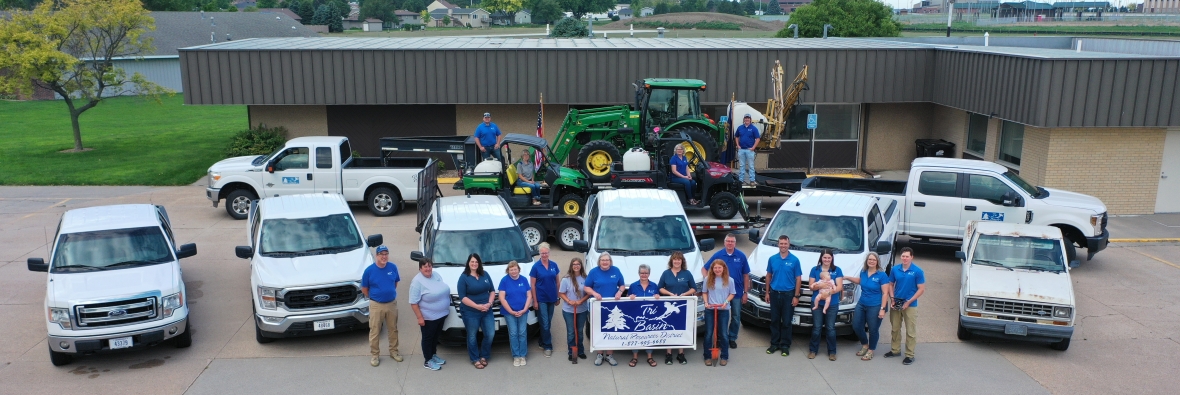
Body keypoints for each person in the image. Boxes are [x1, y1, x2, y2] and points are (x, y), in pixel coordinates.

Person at [705, 233, 751, 350]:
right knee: (720, 316)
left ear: (735, 243)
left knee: (736, 316)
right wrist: (710, 283)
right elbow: (705, 269)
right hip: (720, 293)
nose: (730, 243)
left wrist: (746, 292)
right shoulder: (718, 255)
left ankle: (732, 337)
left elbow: (746, 275)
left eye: (732, 241)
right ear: (724, 242)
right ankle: (721, 338)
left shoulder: (741, 256)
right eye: (728, 241)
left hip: (736, 292)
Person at [361, 245, 402, 367]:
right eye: (381, 254)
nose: (384, 257)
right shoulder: (369, 271)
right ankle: (375, 355)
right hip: (376, 305)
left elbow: (395, 283)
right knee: (375, 331)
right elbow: (364, 289)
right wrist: (376, 297)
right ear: (377, 256)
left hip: (391, 304)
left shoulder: (393, 267)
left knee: (393, 329)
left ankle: (394, 352)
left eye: (386, 254)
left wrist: (387, 293)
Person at [845, 252, 889, 361]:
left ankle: (871, 350)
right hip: (862, 303)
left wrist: (882, 309)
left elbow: (885, 293)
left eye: (874, 260)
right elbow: (861, 281)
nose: (871, 261)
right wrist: (847, 277)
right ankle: (865, 344)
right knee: (856, 325)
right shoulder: (863, 272)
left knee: (873, 329)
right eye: (870, 259)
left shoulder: (882, 275)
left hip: (875, 305)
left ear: (877, 261)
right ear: (867, 261)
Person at [885, 247, 925, 365]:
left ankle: (909, 355)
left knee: (910, 331)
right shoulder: (895, 269)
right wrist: (892, 298)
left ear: (912, 257)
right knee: (895, 328)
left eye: (907, 256)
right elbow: (890, 284)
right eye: (903, 256)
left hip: (911, 305)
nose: (905, 258)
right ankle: (895, 350)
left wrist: (908, 301)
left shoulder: (918, 271)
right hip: (896, 302)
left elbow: (921, 289)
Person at [584, 252, 625, 367]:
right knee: (598, 330)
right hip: (597, 306)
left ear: (610, 261)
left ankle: (610, 355)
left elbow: (622, 285)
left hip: (613, 308)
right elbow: (586, 287)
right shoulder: (594, 272)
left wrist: (619, 292)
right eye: (603, 260)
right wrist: (594, 293)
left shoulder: (616, 270)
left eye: (607, 260)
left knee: (611, 330)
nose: (605, 262)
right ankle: (600, 354)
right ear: (599, 261)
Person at [409, 258, 451, 371]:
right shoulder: (417, 282)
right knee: (428, 338)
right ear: (420, 268)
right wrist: (419, 317)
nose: (428, 269)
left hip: (441, 315)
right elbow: (413, 302)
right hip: (428, 317)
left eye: (429, 266)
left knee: (435, 337)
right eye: (425, 266)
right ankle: (427, 360)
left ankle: (433, 355)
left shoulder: (436, 275)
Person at [764, 235, 801, 357]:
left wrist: (796, 296)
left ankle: (785, 345)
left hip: (788, 295)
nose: (783, 245)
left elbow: (798, 279)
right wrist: (767, 292)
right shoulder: (772, 259)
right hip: (774, 293)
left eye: (785, 243)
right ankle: (774, 344)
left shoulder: (795, 260)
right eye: (781, 243)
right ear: (778, 244)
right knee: (774, 320)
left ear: (789, 245)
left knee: (786, 321)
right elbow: (768, 276)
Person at [457, 253, 496, 369]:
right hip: (470, 312)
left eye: (476, 262)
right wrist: (477, 306)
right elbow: (462, 297)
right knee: (472, 336)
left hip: (487, 310)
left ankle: (484, 355)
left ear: (479, 263)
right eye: (472, 262)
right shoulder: (464, 277)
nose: (474, 264)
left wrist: (489, 304)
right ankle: (475, 358)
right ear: (468, 263)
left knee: (490, 334)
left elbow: (492, 291)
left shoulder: (485, 275)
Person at [657, 251, 696, 365]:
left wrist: (684, 294)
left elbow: (693, 288)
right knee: (669, 329)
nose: (677, 261)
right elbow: (660, 288)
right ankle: (668, 354)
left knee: (681, 329)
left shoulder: (687, 273)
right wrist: (669, 294)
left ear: (682, 261)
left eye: (679, 259)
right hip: (669, 306)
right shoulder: (666, 273)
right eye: (675, 259)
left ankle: (681, 354)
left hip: (683, 306)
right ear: (671, 261)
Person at [808, 249, 843, 361]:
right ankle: (813, 350)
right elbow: (811, 286)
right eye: (825, 257)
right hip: (817, 303)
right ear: (821, 258)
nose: (827, 259)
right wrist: (821, 285)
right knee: (817, 328)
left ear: (832, 258)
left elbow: (839, 287)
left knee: (830, 328)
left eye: (829, 257)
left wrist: (828, 292)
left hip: (832, 303)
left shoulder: (837, 270)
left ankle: (832, 352)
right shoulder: (815, 270)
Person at [701, 259, 736, 366]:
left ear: (723, 268)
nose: (717, 270)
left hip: (723, 309)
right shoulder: (708, 279)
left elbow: (732, 293)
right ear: (712, 269)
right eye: (715, 268)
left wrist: (726, 302)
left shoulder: (730, 280)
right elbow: (704, 292)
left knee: (723, 334)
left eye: (719, 267)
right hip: (710, 309)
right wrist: (706, 302)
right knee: (708, 333)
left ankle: (724, 356)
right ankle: (707, 356)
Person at [499, 261, 533, 367]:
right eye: (511, 269)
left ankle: (523, 355)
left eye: (515, 269)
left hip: (523, 311)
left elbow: (529, 296)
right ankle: (516, 356)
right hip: (509, 313)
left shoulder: (524, 279)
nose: (513, 271)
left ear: (518, 269)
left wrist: (524, 309)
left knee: (522, 333)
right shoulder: (504, 281)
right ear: (508, 270)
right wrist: (510, 311)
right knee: (513, 333)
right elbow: (502, 297)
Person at [529, 242, 560, 357]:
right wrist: (535, 301)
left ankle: (541, 341)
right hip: (541, 299)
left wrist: (558, 296)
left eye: (546, 253)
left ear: (549, 253)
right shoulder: (536, 267)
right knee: (545, 324)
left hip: (552, 298)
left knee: (547, 322)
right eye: (542, 253)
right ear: (539, 254)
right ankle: (548, 345)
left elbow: (557, 282)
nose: (544, 255)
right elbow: (532, 285)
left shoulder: (554, 265)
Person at [627, 264, 661, 367]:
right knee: (636, 334)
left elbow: (659, 298)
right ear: (639, 274)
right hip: (637, 316)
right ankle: (635, 357)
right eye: (642, 273)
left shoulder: (654, 285)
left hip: (650, 316)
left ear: (649, 274)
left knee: (649, 335)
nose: (644, 275)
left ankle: (649, 357)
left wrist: (657, 296)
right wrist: (630, 297)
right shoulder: (633, 285)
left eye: (646, 273)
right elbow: (627, 297)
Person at [559, 257, 590, 363]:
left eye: (578, 264)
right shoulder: (566, 279)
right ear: (571, 266)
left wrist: (581, 300)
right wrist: (568, 301)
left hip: (582, 309)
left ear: (581, 266)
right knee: (571, 332)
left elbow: (589, 293)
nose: (576, 266)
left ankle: (580, 351)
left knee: (580, 331)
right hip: (568, 310)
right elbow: (561, 293)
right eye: (574, 264)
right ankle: (571, 352)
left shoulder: (586, 278)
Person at [734, 114, 760, 186]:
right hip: (741, 150)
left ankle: (752, 180)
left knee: (751, 166)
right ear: (744, 119)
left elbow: (758, 138)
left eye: (748, 118)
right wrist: (738, 145)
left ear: (750, 120)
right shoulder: (740, 128)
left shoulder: (754, 128)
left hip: (750, 150)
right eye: (745, 118)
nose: (747, 120)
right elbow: (736, 137)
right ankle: (741, 180)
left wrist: (753, 147)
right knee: (742, 166)